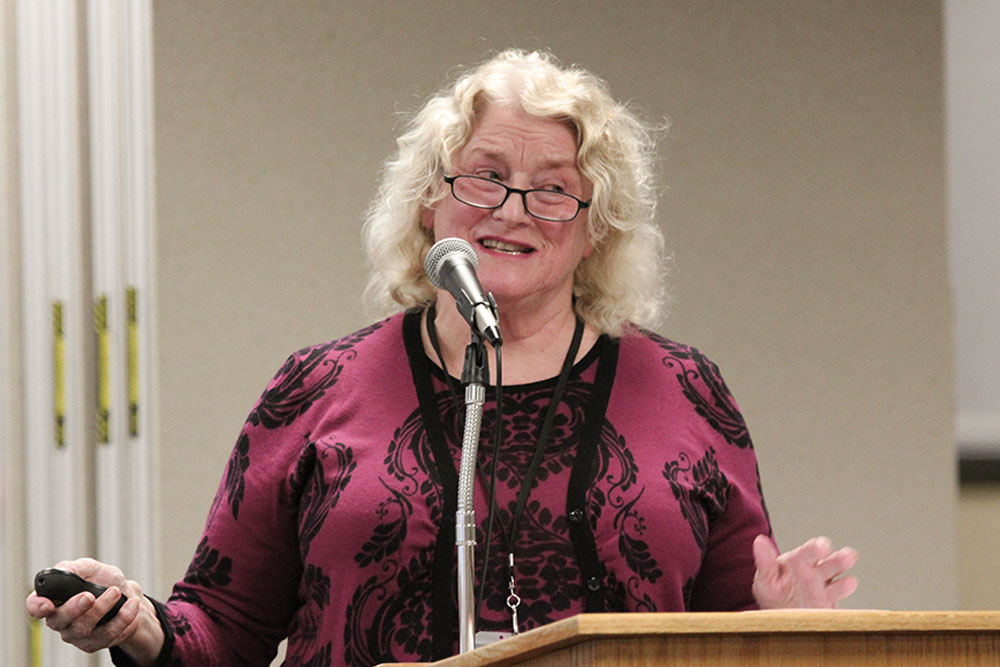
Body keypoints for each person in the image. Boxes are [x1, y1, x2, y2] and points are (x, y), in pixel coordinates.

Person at [27, 49, 858, 666]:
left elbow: (723, 640)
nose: (514, 209)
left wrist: (783, 632)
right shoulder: (315, 387)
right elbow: (224, 630)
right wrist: (138, 623)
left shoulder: (686, 392)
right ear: (430, 200)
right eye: (483, 176)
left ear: (596, 225)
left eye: (555, 187)